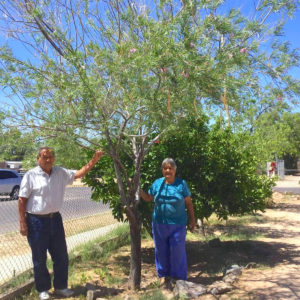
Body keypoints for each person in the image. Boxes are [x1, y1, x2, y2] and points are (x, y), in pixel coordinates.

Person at [18, 146, 103, 300]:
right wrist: (23, 223)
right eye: (45, 157)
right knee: (39, 257)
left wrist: (94, 160)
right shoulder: (30, 175)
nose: (48, 159)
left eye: (51, 156)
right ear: (38, 159)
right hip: (36, 222)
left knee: (61, 255)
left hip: (55, 219)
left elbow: (79, 173)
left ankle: (61, 287)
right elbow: (22, 200)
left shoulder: (60, 172)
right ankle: (43, 289)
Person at [140, 158, 195, 284]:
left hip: (178, 224)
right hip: (159, 224)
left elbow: (189, 203)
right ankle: (164, 276)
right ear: (162, 170)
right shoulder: (157, 183)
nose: (168, 170)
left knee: (177, 251)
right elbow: (149, 198)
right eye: (165, 168)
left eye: (170, 168)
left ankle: (178, 279)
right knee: (160, 251)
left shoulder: (181, 184)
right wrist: (138, 190)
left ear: (175, 170)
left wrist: (193, 219)